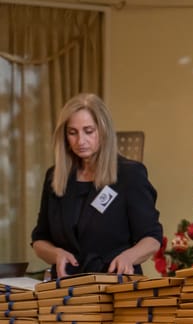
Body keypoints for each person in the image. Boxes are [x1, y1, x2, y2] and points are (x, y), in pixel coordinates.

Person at [31, 93, 163, 278]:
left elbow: (152, 238)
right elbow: (40, 239)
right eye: (72, 132)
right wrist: (56, 254)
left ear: (103, 131)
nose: (80, 141)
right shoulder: (54, 177)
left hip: (115, 287)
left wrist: (129, 257)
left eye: (88, 131)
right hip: (66, 288)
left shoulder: (129, 175)